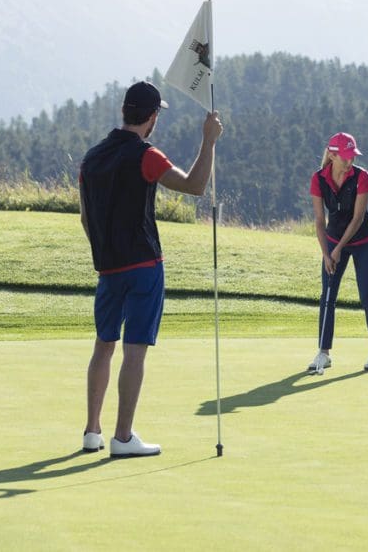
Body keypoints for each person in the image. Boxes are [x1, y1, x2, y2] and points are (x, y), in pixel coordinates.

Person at [78, 81, 223, 457]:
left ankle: (92, 432)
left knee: (103, 346)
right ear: (152, 116)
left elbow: (85, 217)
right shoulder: (147, 155)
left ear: (126, 111)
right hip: (144, 266)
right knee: (135, 351)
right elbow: (194, 186)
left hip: (107, 269)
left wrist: (104, 252)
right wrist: (209, 140)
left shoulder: (92, 158)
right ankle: (122, 438)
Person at [308, 132, 368, 373]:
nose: (350, 161)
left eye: (353, 156)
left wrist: (338, 249)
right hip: (331, 240)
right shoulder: (318, 179)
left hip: (363, 242)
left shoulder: (362, 177)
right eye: (346, 156)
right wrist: (326, 253)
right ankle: (323, 353)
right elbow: (320, 221)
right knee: (327, 296)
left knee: (366, 295)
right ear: (332, 155)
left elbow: (358, 218)